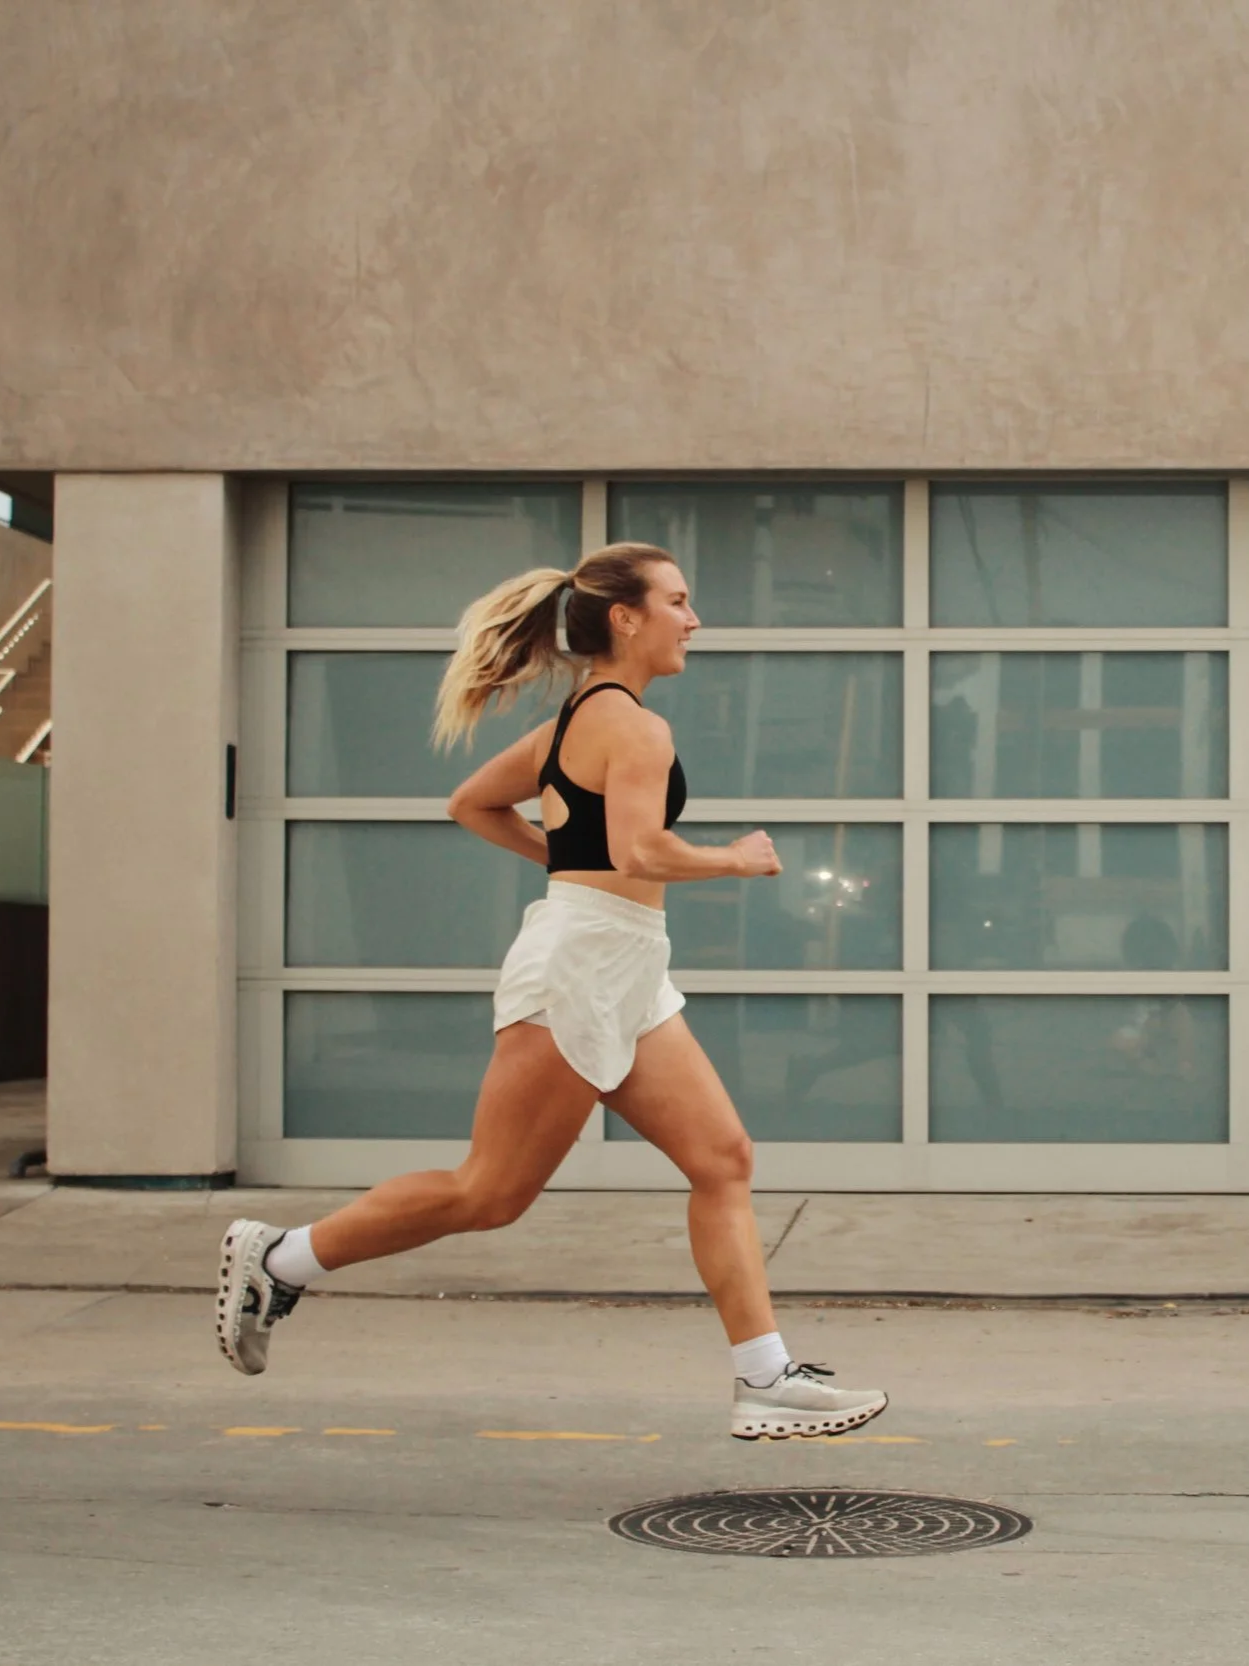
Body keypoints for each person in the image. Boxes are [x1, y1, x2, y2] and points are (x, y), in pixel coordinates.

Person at [216, 542, 888, 1441]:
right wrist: (733, 859)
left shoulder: (579, 719)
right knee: (488, 1193)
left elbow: (473, 803)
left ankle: (762, 1378)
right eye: (679, 601)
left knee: (722, 1158)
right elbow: (642, 850)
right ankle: (282, 1258)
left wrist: (570, 866)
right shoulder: (636, 727)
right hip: (580, 966)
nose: (694, 620)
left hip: (626, 963)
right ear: (626, 616)